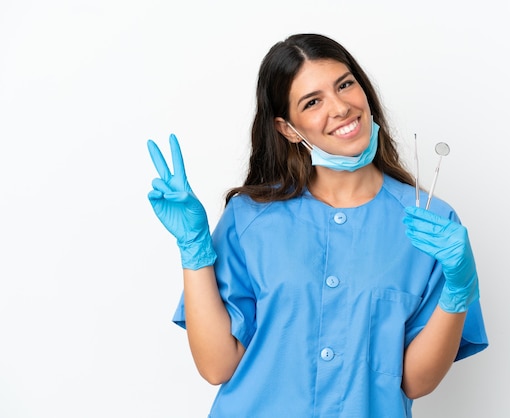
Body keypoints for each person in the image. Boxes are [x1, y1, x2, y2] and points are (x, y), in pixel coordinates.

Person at [147, 33, 488, 418]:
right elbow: (217, 367)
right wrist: (194, 248)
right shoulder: (250, 218)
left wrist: (458, 289)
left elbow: (415, 382)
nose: (341, 107)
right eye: (313, 102)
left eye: (345, 84)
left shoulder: (432, 224)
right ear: (288, 128)